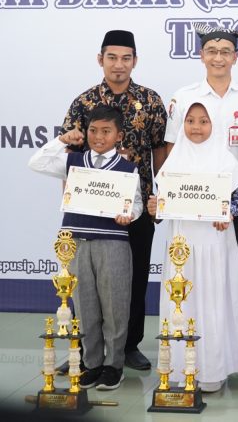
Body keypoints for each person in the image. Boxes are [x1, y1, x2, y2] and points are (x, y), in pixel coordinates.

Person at [60, 30, 168, 371]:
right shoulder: (84, 102)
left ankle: (128, 346)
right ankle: (85, 351)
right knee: (85, 283)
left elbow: (160, 150)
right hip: (89, 208)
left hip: (134, 206)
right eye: (112, 57)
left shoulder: (150, 101)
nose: (118, 65)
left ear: (135, 61)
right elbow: (68, 152)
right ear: (100, 59)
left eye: (125, 58)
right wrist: (69, 199)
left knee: (133, 278)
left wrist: (161, 195)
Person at [163, 24, 238, 370]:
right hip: (192, 210)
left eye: (225, 52)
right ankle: (191, 343)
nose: (218, 57)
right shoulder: (184, 96)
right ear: (201, 55)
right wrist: (169, 196)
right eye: (211, 51)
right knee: (194, 278)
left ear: (235, 56)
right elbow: (171, 149)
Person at [28, 104, 142, 391]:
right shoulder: (73, 162)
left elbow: (137, 203)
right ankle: (92, 364)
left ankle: (113, 366)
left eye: (106, 131)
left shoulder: (128, 169)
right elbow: (36, 163)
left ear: (118, 135)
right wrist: (61, 140)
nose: (98, 137)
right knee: (85, 305)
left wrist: (130, 215)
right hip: (77, 241)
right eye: (93, 130)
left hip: (113, 241)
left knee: (115, 307)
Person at [148, 101, 238, 393]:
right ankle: (182, 368)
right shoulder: (173, 162)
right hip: (182, 247)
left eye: (203, 121)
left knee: (212, 303)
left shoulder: (224, 159)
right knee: (182, 302)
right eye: (190, 120)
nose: (196, 127)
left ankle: (213, 370)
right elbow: (162, 206)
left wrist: (228, 214)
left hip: (215, 244)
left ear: (212, 125)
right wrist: (155, 208)